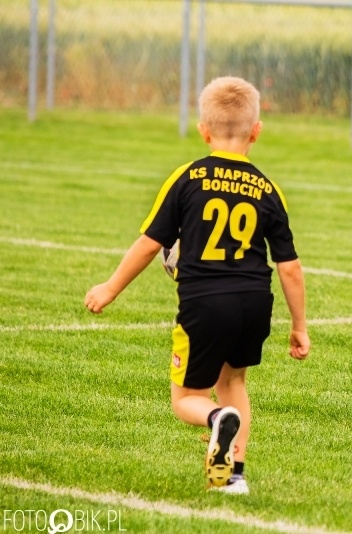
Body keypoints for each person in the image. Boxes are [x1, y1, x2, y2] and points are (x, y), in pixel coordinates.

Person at [84, 76, 310, 493]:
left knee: (188, 398)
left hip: (204, 304)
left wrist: (110, 288)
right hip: (254, 302)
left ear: (203, 130)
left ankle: (214, 420)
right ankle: (232, 475)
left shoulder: (187, 178)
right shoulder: (266, 188)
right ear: (256, 131)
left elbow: (151, 243)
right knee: (233, 383)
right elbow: (290, 267)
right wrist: (300, 326)